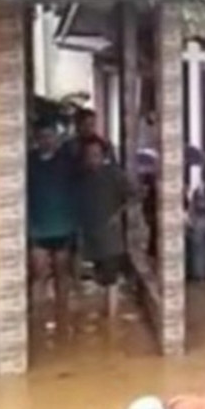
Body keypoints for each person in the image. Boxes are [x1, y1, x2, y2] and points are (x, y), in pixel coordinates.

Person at [26, 119, 79, 324]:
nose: (46, 141)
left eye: (50, 136)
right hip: (37, 229)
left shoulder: (67, 161)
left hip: (63, 228)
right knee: (38, 274)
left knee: (62, 275)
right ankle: (37, 319)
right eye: (42, 137)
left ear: (57, 138)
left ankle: (62, 316)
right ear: (36, 139)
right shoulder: (29, 162)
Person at [76, 136, 137, 299]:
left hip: (110, 237)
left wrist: (119, 214)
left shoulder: (114, 174)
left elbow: (134, 196)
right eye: (89, 155)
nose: (92, 159)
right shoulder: (79, 177)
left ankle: (111, 317)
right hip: (88, 237)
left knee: (111, 279)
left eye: (96, 155)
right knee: (93, 277)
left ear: (103, 156)